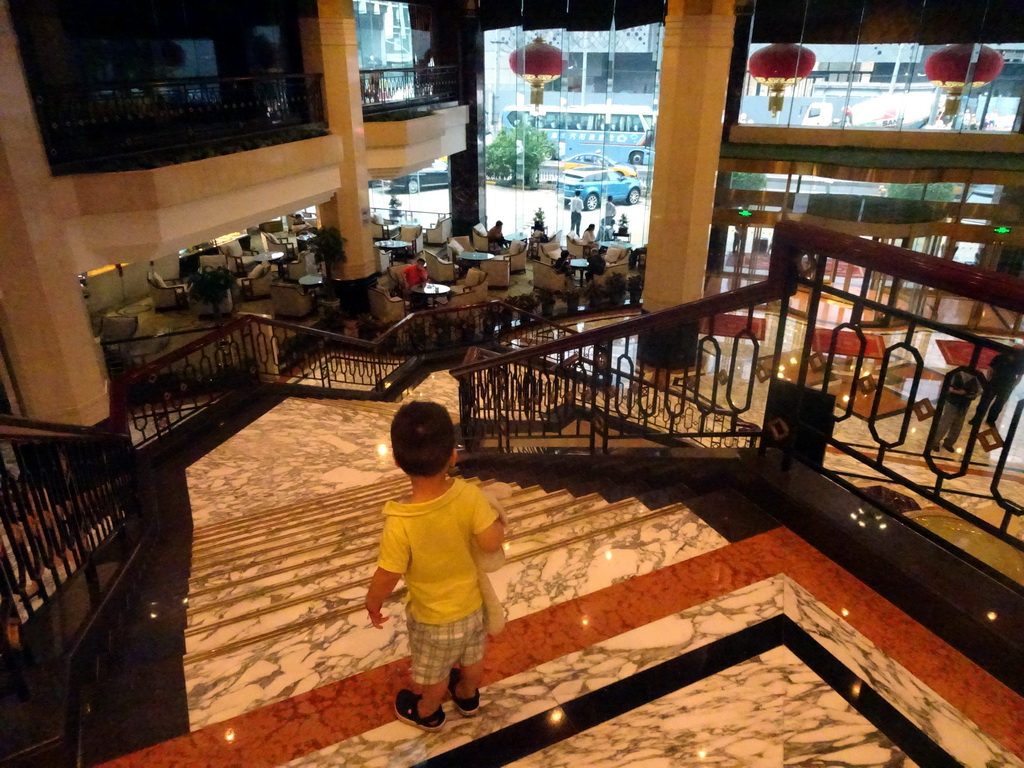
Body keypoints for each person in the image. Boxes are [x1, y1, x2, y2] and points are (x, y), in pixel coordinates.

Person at [364, 402, 505, 731]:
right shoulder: (469, 496)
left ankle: (427, 711)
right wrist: (497, 518)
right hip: (472, 608)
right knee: (472, 661)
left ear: (398, 461)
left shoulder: (400, 522)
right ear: (453, 455)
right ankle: (468, 695)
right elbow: (490, 542)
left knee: (435, 675)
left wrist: (373, 602)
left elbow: (388, 574)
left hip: (433, 621)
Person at [928, 368, 981, 453]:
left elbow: (979, 391)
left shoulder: (977, 376)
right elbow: (946, 385)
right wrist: (954, 391)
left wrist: (968, 393)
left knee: (958, 425)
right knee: (945, 423)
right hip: (953, 402)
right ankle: (935, 442)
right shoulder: (957, 374)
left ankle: (949, 443)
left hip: (964, 404)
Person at [972, 347, 1024, 430]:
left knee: (987, 402)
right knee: (995, 403)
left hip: (997, 381)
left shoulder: (1001, 356)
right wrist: (1013, 386)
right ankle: (988, 420)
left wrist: (989, 379)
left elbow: (990, 368)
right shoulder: (1019, 361)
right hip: (1005, 384)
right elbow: (1019, 376)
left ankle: (979, 419)